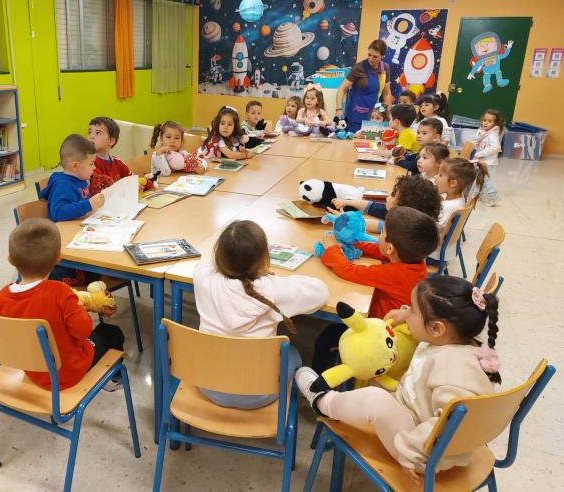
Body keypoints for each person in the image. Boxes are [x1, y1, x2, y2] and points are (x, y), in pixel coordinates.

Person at [296, 276, 500, 482]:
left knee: (375, 400)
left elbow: (451, 425)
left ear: (436, 328)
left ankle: (321, 401)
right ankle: (339, 401)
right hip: (417, 418)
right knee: (374, 379)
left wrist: (412, 455)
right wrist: (406, 314)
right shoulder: (456, 343)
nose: (407, 312)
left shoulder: (453, 371)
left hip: (424, 452)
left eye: (412, 310)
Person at [193, 220, 329, 409]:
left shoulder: (204, 279)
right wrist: (262, 273)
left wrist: (244, 264)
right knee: (293, 353)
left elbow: (206, 263)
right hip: (259, 394)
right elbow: (321, 292)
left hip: (209, 385)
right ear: (263, 258)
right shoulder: (272, 289)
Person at [0, 218, 124, 391]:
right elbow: (82, 331)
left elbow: (1, 338)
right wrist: (80, 308)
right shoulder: (61, 293)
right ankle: (112, 379)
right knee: (111, 332)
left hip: (33, 371)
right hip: (68, 374)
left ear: (10, 259)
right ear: (58, 258)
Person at [311, 206, 439, 375]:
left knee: (327, 338)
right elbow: (379, 251)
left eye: (382, 233)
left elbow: (349, 271)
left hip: (380, 333)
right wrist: (352, 244)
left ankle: (323, 382)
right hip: (395, 325)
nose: (378, 237)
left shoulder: (395, 274)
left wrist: (332, 249)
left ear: (391, 248)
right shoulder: (413, 260)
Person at [329, 175, 442, 235]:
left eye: (393, 194)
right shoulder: (405, 217)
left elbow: (366, 223)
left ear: (404, 207)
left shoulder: (402, 227)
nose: (388, 195)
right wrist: (346, 202)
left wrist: (344, 219)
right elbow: (370, 206)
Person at [429, 158, 487, 263]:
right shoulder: (458, 200)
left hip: (433, 255)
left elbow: (430, 225)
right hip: (443, 251)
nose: (435, 177)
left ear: (452, 183)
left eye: (440, 175)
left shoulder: (449, 207)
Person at [40, 134, 105, 222]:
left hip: (80, 224)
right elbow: (58, 213)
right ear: (75, 166)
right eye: (91, 163)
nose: (94, 167)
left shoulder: (81, 179)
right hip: (64, 229)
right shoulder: (62, 185)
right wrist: (88, 205)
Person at [335, 40, 394, 132]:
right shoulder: (359, 68)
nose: (371, 58)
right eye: (369, 55)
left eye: (375, 56)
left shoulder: (385, 68)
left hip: (374, 117)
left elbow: (386, 93)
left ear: (383, 56)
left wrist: (388, 113)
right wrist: (339, 109)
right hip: (355, 115)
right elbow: (342, 89)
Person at [88, 116, 131, 194]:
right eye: (90, 132)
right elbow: (104, 186)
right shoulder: (88, 163)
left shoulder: (118, 162)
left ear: (111, 141)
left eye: (98, 133)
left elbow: (131, 180)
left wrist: (140, 184)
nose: (91, 136)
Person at [473, 109, 503, 207]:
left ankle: (493, 196)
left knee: (487, 180)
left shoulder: (492, 134)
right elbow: (479, 143)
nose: (486, 123)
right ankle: (481, 194)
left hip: (489, 162)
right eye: (484, 120)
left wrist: (481, 153)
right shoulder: (483, 132)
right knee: (481, 178)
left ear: (495, 124)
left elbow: (496, 147)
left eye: (490, 121)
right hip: (482, 161)